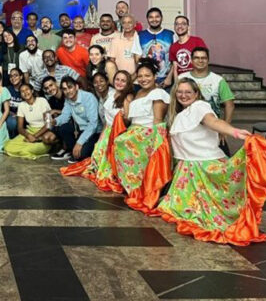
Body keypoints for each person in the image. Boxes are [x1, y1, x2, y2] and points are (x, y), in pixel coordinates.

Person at [157, 79, 266, 245]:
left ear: (196, 94)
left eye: (188, 92)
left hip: (204, 164)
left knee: (212, 210)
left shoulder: (200, 107)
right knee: (178, 209)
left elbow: (213, 121)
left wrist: (234, 132)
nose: (183, 95)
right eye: (180, 92)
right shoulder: (181, 114)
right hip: (188, 168)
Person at [112, 59, 172, 213]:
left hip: (147, 133)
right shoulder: (138, 92)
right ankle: (134, 185)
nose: (143, 79)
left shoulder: (158, 93)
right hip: (134, 129)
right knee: (117, 141)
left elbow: (158, 121)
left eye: (147, 75)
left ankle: (142, 187)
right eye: (140, 76)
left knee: (124, 142)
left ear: (155, 76)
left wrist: (158, 144)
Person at [60, 71, 133, 193]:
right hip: (107, 130)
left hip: (118, 132)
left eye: (123, 80)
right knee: (96, 155)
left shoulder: (127, 97)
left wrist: (122, 119)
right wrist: (101, 138)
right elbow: (106, 121)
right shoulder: (111, 95)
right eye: (117, 79)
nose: (119, 82)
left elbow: (127, 121)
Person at [178, 47, 236, 153]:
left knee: (223, 159)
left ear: (208, 60)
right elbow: (174, 103)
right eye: (196, 58)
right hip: (188, 130)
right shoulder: (181, 78)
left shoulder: (218, 80)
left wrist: (224, 129)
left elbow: (229, 105)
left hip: (212, 129)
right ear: (191, 60)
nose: (200, 60)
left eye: (203, 58)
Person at [46, 77, 102, 163]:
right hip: (81, 130)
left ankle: (81, 150)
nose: (68, 91)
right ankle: (72, 150)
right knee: (63, 128)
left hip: (95, 132)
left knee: (81, 155)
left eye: (70, 87)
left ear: (76, 87)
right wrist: (55, 121)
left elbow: (93, 124)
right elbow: (65, 116)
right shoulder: (68, 99)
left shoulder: (88, 97)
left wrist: (80, 142)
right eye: (65, 89)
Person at [4, 83, 51, 159]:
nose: (25, 92)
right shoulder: (22, 105)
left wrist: (35, 137)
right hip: (30, 131)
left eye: (27, 89)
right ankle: (26, 148)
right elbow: (20, 128)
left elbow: (48, 124)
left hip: (44, 133)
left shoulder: (42, 101)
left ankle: (32, 148)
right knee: (7, 147)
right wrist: (28, 135)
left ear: (32, 90)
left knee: (26, 150)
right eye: (22, 91)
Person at [138, 7, 175, 86]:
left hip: (166, 79)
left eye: (157, 17)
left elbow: (175, 59)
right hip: (147, 80)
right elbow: (137, 59)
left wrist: (169, 77)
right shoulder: (140, 35)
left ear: (162, 18)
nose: (154, 19)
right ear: (147, 19)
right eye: (151, 17)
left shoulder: (170, 35)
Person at [167, 15, 208, 86]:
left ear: (188, 27)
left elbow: (204, 62)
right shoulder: (173, 47)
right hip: (182, 83)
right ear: (174, 27)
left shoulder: (197, 41)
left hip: (197, 81)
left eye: (183, 24)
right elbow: (175, 68)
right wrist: (176, 85)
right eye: (177, 24)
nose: (180, 26)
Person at [5, 68, 24, 137]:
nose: (13, 78)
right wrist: (11, 113)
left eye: (15, 75)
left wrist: (18, 114)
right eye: (11, 76)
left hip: (23, 115)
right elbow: (4, 107)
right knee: (12, 122)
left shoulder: (25, 88)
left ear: (21, 77)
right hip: (11, 114)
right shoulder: (7, 90)